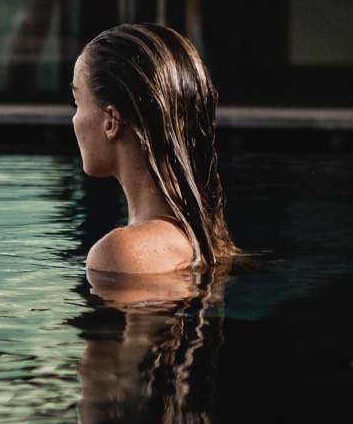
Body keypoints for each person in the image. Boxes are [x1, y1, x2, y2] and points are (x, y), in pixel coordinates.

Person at [72, 22, 237, 273]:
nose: (74, 119)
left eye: (77, 103)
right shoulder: (213, 241)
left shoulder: (119, 252)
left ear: (111, 122)